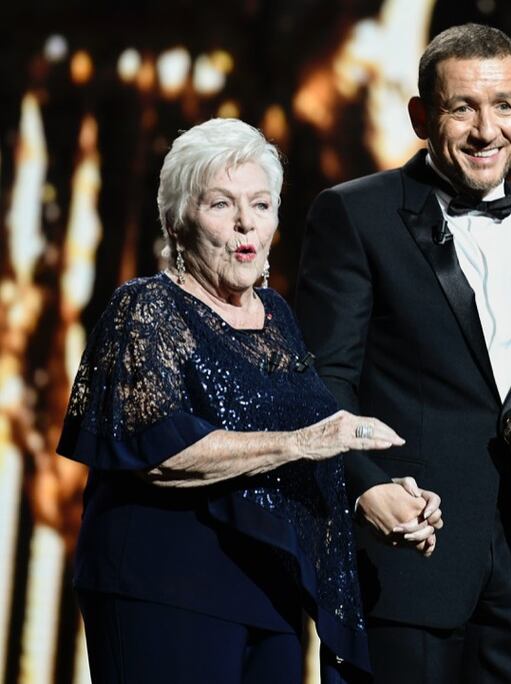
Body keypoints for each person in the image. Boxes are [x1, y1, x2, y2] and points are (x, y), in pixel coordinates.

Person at [295, 23, 511, 682]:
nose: (487, 130)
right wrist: (366, 491)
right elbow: (320, 381)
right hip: (405, 559)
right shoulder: (356, 215)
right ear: (423, 116)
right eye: (462, 108)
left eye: (503, 105)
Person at [58, 118, 441, 683]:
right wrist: (306, 442)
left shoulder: (277, 318)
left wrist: (378, 497)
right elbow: (161, 455)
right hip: (164, 585)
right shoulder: (145, 309)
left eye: (261, 205)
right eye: (221, 204)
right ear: (177, 220)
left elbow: (311, 440)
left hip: (268, 590)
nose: (245, 223)